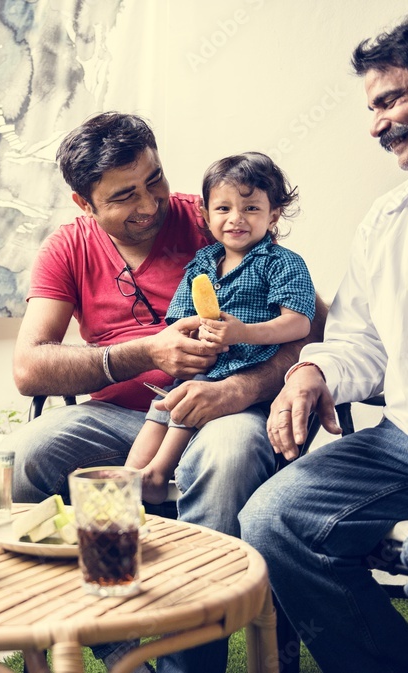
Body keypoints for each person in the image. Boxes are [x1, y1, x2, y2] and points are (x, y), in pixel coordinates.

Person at [239, 12, 408, 673]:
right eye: (371, 106)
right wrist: (313, 375)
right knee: (272, 520)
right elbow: (360, 340)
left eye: (389, 99)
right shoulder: (388, 219)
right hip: (403, 441)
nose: (374, 123)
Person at [4, 111, 323, 673]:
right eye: (124, 195)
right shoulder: (68, 248)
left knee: (226, 458)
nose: (150, 203)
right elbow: (29, 367)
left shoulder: (212, 215)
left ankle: (188, 665)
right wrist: (146, 352)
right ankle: (111, 642)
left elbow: (313, 327)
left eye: (154, 178)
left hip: (226, 409)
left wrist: (241, 388)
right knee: (30, 453)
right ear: (85, 203)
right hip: (128, 419)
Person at [126, 152, 315, 504]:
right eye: (223, 209)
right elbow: (178, 320)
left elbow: (299, 322)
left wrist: (243, 332)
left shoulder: (281, 263)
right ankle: (129, 477)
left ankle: (157, 474)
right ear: (205, 214)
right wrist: (192, 338)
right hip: (202, 366)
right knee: (164, 403)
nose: (236, 219)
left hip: (244, 373)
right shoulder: (201, 264)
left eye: (251, 209)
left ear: (274, 214)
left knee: (188, 398)